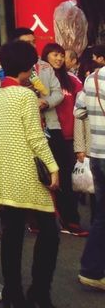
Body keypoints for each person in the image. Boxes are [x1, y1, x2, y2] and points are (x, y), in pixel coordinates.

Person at [0, 40, 59, 308]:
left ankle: (12, 293)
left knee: (12, 234)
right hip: (27, 172)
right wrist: (53, 167)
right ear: (30, 67)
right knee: (49, 234)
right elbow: (36, 138)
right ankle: (39, 292)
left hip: (4, 174)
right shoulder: (25, 96)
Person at [41, 42, 85, 234]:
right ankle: (44, 220)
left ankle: (70, 220)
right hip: (47, 135)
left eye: (61, 55)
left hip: (68, 137)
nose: (59, 59)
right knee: (46, 178)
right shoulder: (39, 81)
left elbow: (82, 109)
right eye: (54, 55)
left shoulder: (73, 81)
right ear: (45, 56)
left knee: (67, 180)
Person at [76, 49, 105, 291]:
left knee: (102, 217)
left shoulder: (91, 78)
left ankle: (92, 269)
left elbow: (79, 111)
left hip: (97, 155)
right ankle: (92, 269)